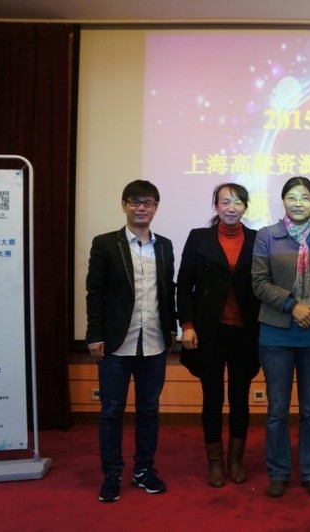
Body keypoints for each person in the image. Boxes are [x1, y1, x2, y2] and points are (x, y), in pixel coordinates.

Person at [85, 180, 177, 503]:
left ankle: (143, 470)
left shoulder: (164, 246)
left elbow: (168, 290)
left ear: (155, 207)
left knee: (149, 409)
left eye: (147, 202)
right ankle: (112, 473)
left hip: (154, 341)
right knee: (112, 411)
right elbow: (95, 292)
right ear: (123, 205)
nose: (141, 208)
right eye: (135, 202)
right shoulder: (105, 244)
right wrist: (94, 334)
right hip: (115, 344)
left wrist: (172, 329)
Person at [252, 177, 310, 498]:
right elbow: (259, 282)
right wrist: (293, 306)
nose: (298, 203)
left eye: (305, 197)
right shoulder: (267, 236)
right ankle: (278, 472)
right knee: (277, 409)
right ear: (283, 201)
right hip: (276, 333)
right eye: (292, 197)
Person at [176, 183, 261, 488]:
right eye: (225, 202)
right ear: (216, 206)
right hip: (208, 331)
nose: (231, 208)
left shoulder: (257, 239)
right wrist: (186, 324)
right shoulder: (199, 238)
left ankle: (235, 460)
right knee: (212, 397)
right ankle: (214, 462)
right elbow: (184, 284)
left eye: (238, 202)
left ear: (245, 207)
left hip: (245, 331)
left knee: (240, 398)